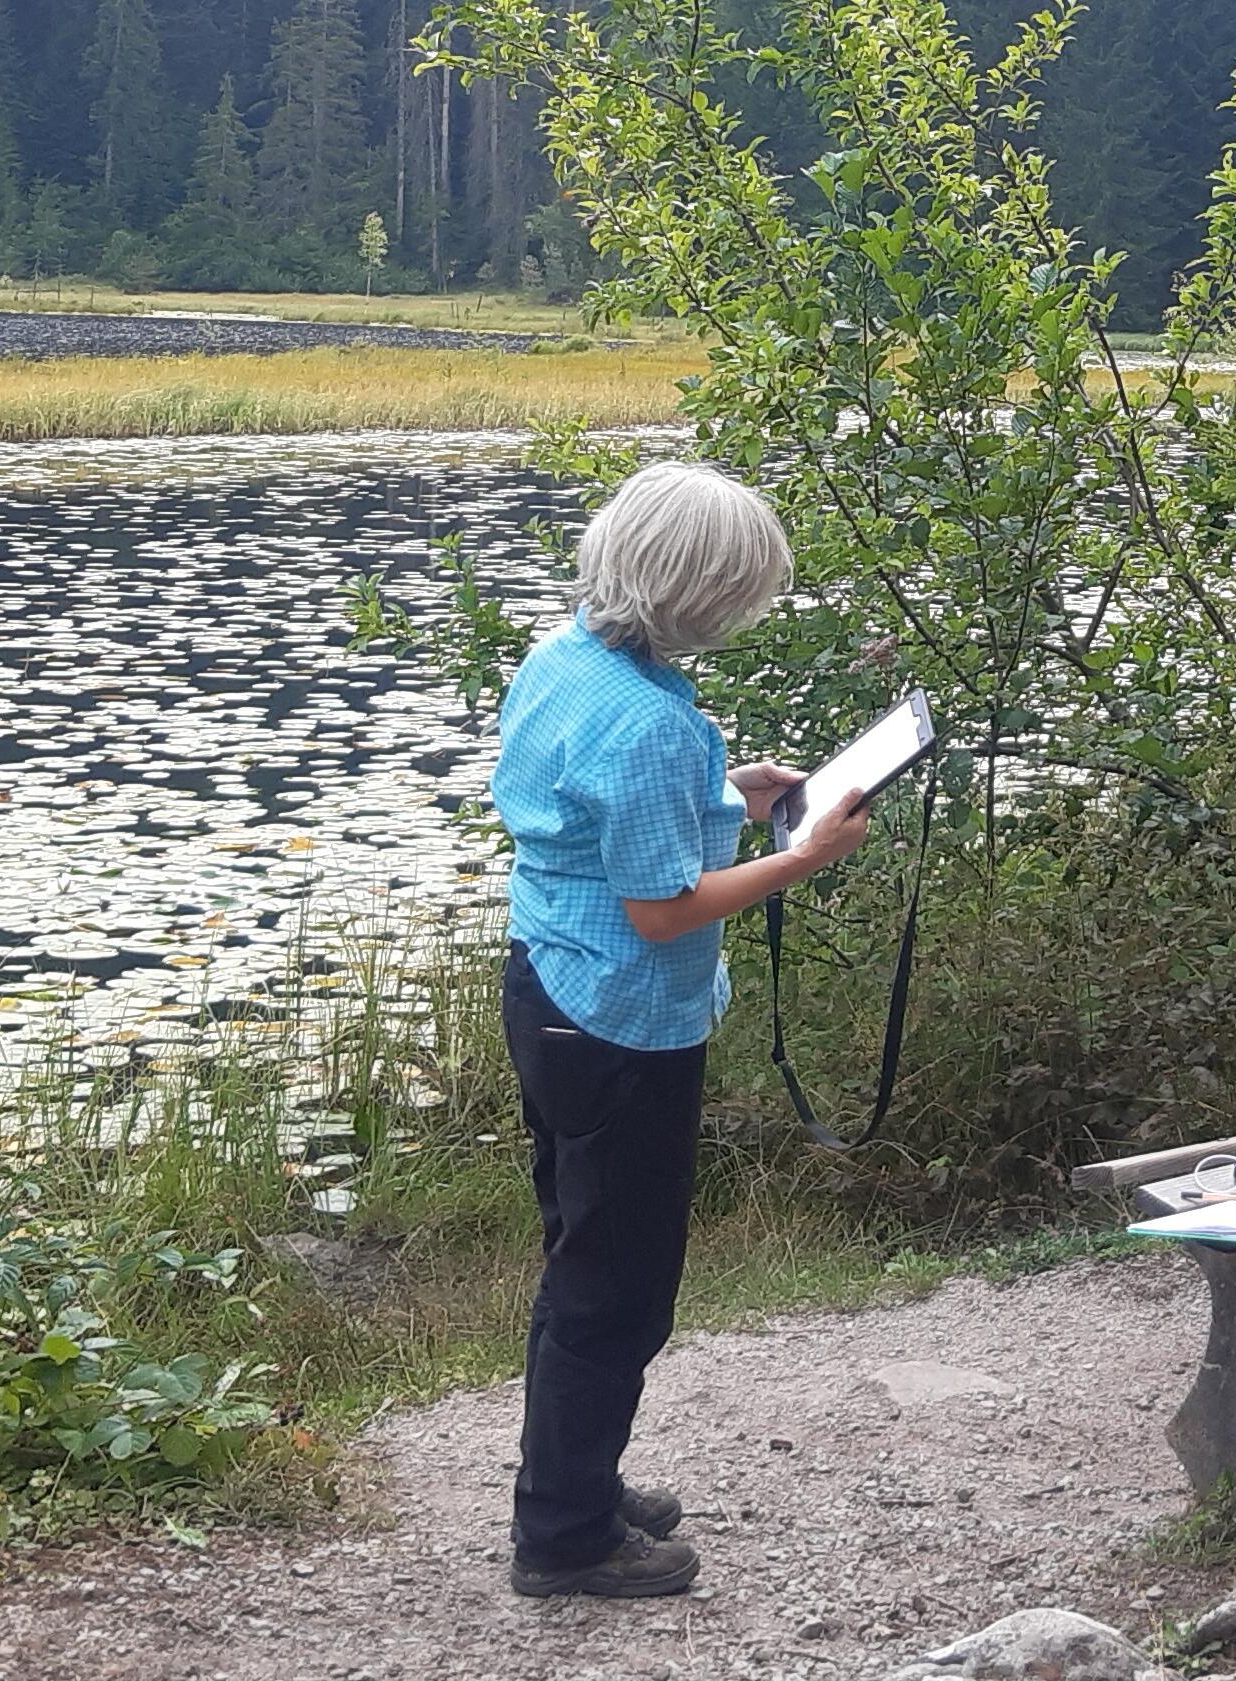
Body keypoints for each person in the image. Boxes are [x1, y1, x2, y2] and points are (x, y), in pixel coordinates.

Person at [486, 463, 870, 1600]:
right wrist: (798, 856)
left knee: (581, 1258)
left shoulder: (572, 658)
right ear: (701, 592)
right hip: (619, 1019)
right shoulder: (650, 721)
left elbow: (598, 815)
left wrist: (734, 792)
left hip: (550, 983)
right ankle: (563, 1536)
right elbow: (660, 909)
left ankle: (575, 1480)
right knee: (617, 1286)